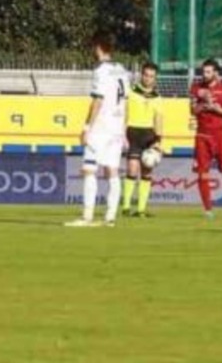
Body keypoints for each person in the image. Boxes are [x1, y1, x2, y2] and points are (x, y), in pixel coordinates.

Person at [66, 32, 129, 227]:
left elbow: (98, 100)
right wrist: (124, 131)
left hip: (101, 127)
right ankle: (110, 218)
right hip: (117, 128)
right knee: (112, 171)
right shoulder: (122, 70)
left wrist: (86, 128)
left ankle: (87, 216)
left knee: (89, 169)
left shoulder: (100, 71)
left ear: (98, 48)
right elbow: (126, 103)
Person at [190, 58, 222, 218]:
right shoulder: (196, 88)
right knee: (203, 173)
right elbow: (193, 110)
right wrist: (203, 105)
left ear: (216, 73)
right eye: (203, 71)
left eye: (208, 72)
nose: (205, 74)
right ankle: (208, 209)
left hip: (220, 136)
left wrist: (216, 108)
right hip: (203, 136)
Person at [121, 61, 164, 218]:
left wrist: (158, 141)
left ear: (155, 78)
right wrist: (122, 134)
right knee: (132, 169)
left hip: (149, 135)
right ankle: (126, 207)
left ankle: (141, 210)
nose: (148, 78)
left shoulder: (157, 97)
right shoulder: (131, 92)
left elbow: (159, 120)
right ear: (141, 75)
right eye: (146, 75)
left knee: (147, 171)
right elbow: (124, 114)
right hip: (133, 133)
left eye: (151, 76)